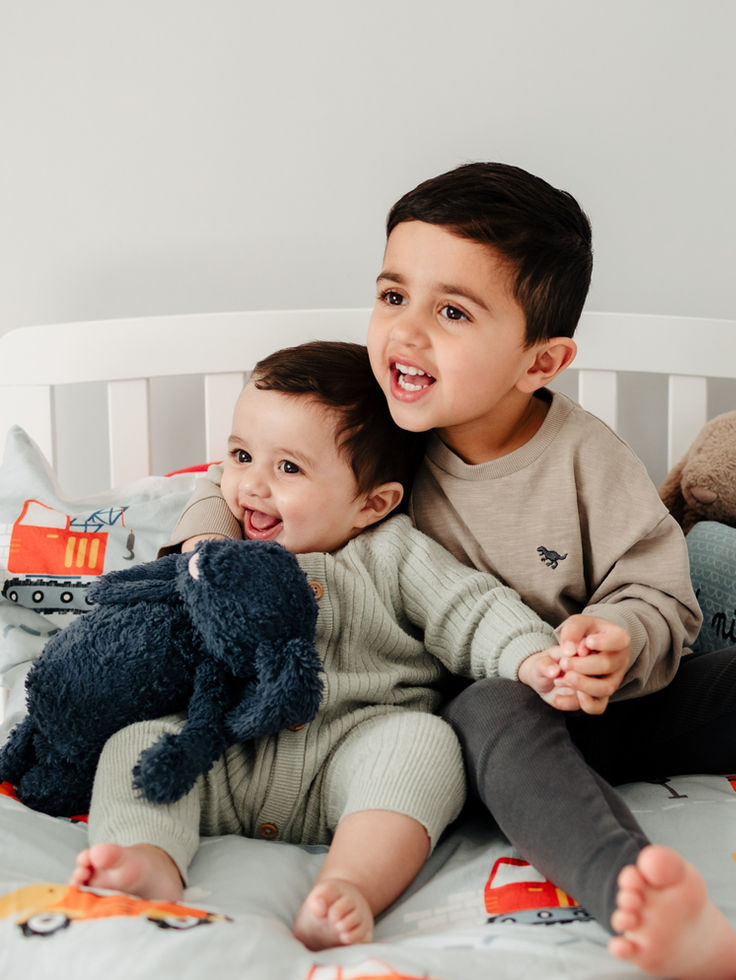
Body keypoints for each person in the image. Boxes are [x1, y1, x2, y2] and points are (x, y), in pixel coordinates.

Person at [165, 163, 736, 980]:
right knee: (489, 705)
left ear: (540, 361)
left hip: (616, 703)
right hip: (490, 736)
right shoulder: (378, 424)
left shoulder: (588, 459)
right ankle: (642, 897)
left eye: (450, 311)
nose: (405, 334)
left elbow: (661, 590)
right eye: (391, 296)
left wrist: (618, 635)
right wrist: (202, 551)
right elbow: (232, 480)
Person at [70, 340, 572, 953]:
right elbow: (177, 570)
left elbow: (471, 609)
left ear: (373, 503)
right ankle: (146, 857)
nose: (252, 484)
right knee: (138, 744)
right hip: (228, 754)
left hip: (352, 755)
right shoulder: (220, 552)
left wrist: (533, 656)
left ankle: (351, 884)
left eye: (289, 469)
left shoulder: (392, 552)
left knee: (425, 745)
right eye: (241, 454)